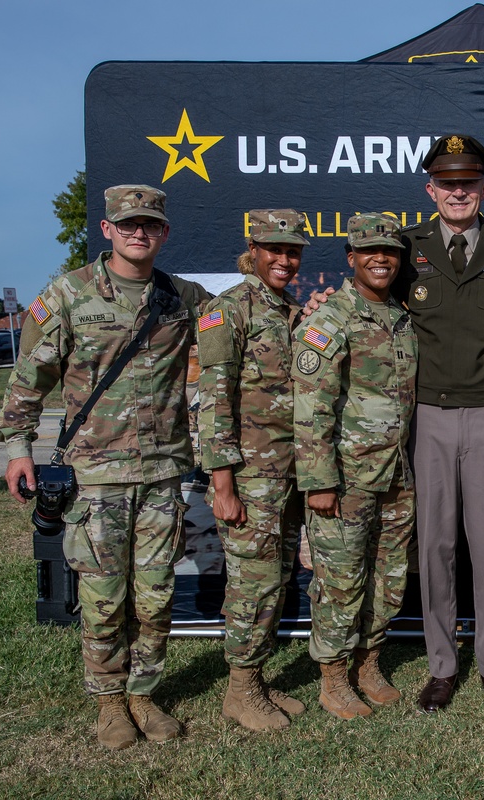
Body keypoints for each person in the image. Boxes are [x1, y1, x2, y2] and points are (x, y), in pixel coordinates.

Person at [303, 135, 484, 711]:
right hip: (426, 417)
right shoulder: (406, 248)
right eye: (446, 184)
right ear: (430, 189)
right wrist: (313, 306)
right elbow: (367, 296)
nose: (457, 193)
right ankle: (441, 665)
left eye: (468, 184)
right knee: (433, 545)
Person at [0, 185, 210, 749]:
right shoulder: (68, 295)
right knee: (104, 594)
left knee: (157, 592)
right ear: (108, 229)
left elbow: (241, 321)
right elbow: (29, 379)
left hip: (163, 473)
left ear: (164, 233)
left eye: (151, 225)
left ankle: (145, 693)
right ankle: (110, 702)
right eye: (129, 224)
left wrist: (303, 308)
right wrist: (18, 448)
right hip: (98, 475)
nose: (140, 232)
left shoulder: (181, 297)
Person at [293, 214, 417, 719]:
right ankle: (333, 677)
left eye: (389, 251)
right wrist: (319, 482)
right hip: (344, 480)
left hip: (397, 475)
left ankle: (369, 663)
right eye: (369, 251)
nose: (381, 259)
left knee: (388, 578)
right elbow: (311, 407)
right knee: (340, 583)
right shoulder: (330, 320)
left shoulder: (402, 318)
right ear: (351, 258)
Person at [196, 209, 308, 732]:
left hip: (288, 474)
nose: (284, 260)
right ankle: (240, 690)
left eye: (292, 251)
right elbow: (214, 399)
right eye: (274, 249)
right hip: (249, 477)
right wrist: (222, 484)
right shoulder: (229, 310)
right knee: (252, 583)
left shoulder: (289, 310)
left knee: (277, 577)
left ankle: (256, 678)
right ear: (254, 248)